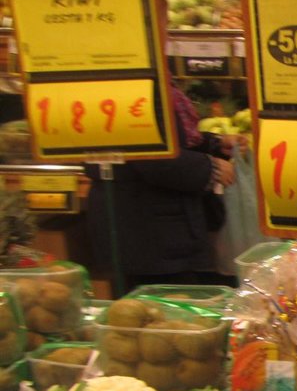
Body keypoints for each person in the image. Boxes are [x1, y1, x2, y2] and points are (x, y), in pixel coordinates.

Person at [85, 80, 241, 293]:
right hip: (145, 229)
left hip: (159, 226)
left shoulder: (153, 82)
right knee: (164, 303)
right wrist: (209, 167)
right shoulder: (131, 87)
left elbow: (168, 141)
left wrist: (215, 143)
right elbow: (150, 155)